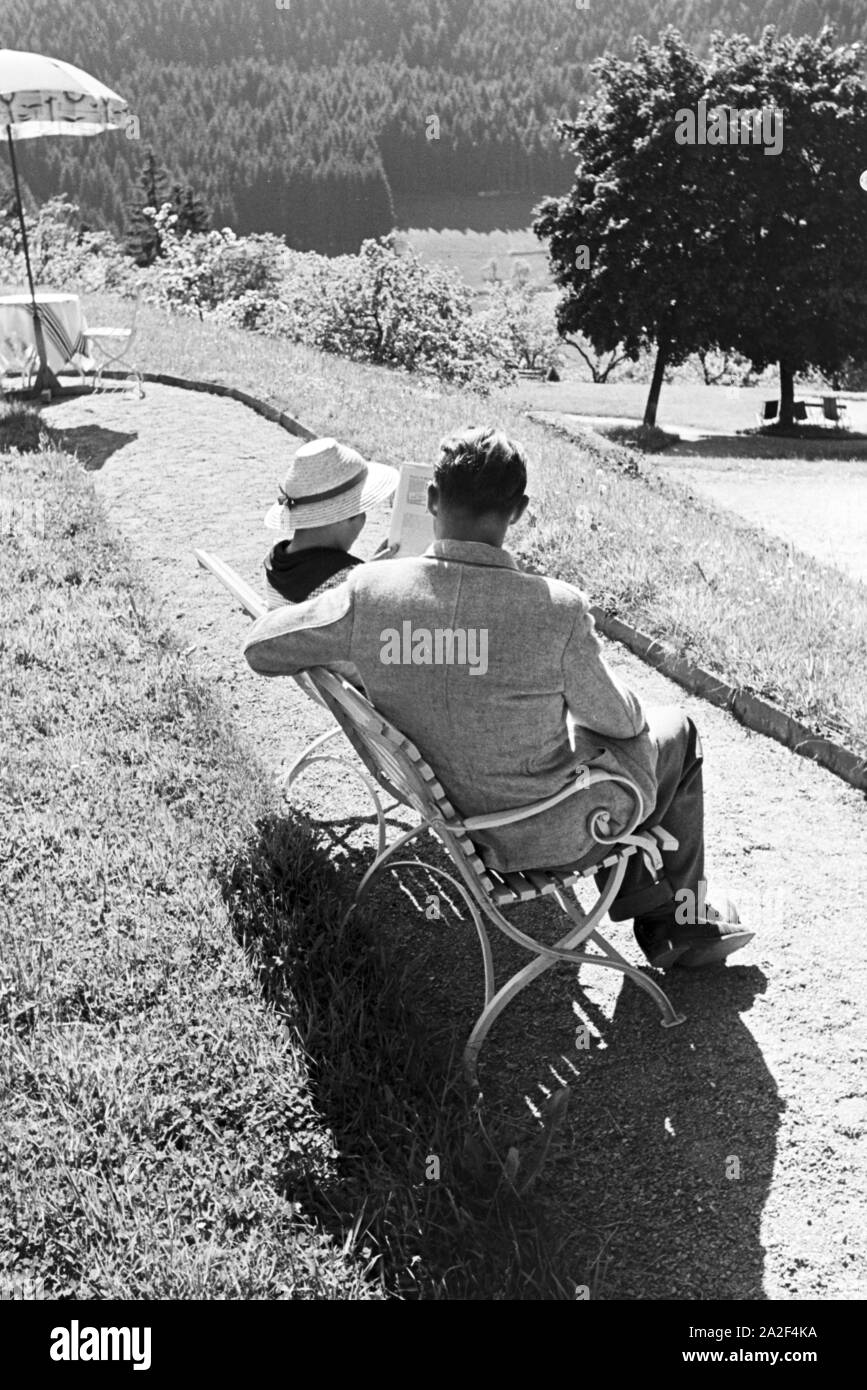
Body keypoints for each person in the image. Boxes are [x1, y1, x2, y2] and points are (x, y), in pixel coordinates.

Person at [244, 426, 753, 971]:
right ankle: (679, 919)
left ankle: (647, 896)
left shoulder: (371, 593)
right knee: (674, 729)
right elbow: (624, 724)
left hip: (450, 811)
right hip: (547, 832)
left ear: (433, 501)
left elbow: (260, 647)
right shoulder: (554, 608)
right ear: (519, 511)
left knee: (598, 736)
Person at [262, 437, 399, 607]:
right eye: (361, 511)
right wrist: (369, 579)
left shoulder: (274, 558)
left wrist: (365, 573)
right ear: (343, 517)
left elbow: (318, 576)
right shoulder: (348, 584)